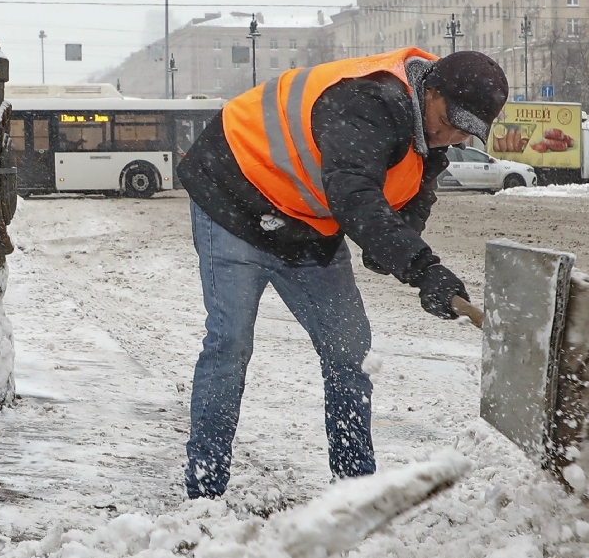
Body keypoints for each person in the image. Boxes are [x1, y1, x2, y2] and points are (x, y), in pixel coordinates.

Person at [174, 47, 509, 498]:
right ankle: (205, 489)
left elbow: (414, 197)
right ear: (430, 91)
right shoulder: (367, 103)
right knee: (229, 343)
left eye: (466, 131)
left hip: (307, 230)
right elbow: (355, 198)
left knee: (349, 349)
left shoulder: (430, 136)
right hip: (233, 199)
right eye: (451, 120)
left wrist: (392, 250)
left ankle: (354, 487)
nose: (453, 136)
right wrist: (424, 268)